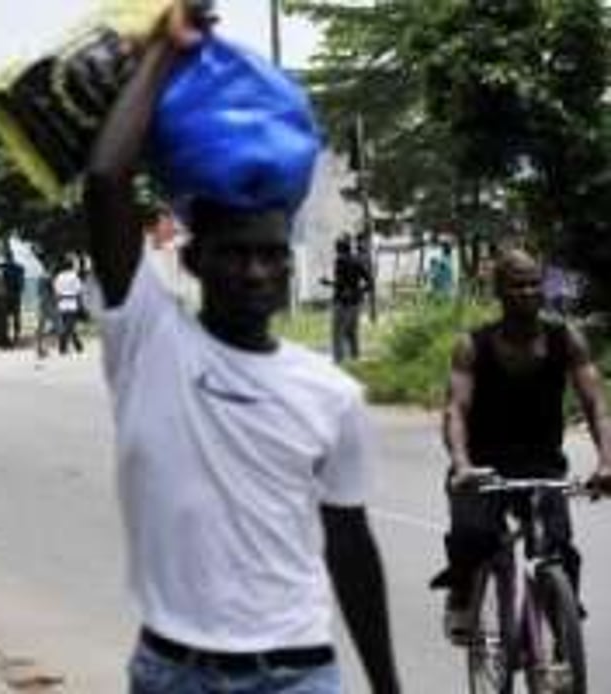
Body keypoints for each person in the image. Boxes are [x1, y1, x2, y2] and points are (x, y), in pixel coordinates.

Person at [82, 5, 401, 692]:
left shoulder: (331, 393)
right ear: (193, 264)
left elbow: (351, 546)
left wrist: (387, 685)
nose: (255, 272)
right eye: (234, 255)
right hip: (173, 673)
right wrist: (164, 53)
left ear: (288, 268)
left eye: (268, 257)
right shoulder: (147, 341)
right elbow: (106, 181)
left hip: (297, 675)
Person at [438, 248, 611, 640]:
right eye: (518, 285)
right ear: (498, 289)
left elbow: (596, 404)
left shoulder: (566, 339)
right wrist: (462, 465)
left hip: (541, 464)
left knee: (559, 549)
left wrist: (606, 462)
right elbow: (455, 410)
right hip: (482, 465)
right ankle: (462, 596)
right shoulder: (473, 345)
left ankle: (561, 644)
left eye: (535, 283)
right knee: (474, 537)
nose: (529, 292)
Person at [324, 236, 372, 363]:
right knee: (352, 332)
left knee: (337, 333)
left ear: (339, 249)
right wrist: (359, 292)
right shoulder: (357, 261)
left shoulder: (339, 261)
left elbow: (340, 284)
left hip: (341, 303)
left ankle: (338, 360)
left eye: (337, 249)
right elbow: (370, 283)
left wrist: (327, 283)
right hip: (356, 303)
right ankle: (355, 358)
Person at [52, 259, 85, 355]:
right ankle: (63, 344)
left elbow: (56, 291)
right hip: (72, 302)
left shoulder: (58, 277)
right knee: (69, 325)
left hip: (62, 303)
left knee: (68, 324)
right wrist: (80, 304)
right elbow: (79, 291)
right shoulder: (74, 276)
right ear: (71, 266)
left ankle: (78, 345)